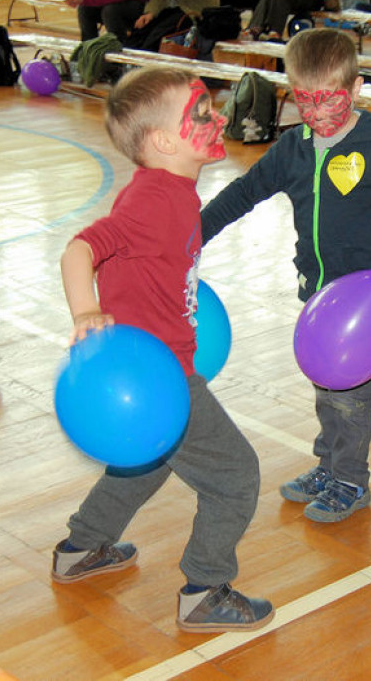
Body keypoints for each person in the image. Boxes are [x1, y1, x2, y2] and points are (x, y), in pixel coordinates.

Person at [53, 66, 273, 633]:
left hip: (152, 370)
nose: (218, 116)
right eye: (201, 113)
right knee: (236, 475)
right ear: (164, 142)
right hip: (160, 374)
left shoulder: (172, 190)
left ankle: (82, 547)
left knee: (144, 464)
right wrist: (85, 312)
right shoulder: (154, 199)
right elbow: (80, 249)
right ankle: (205, 588)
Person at [200, 29, 371, 522]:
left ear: (354, 90)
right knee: (327, 386)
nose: (315, 114)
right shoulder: (293, 147)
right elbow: (244, 193)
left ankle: (351, 481)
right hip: (319, 296)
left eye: (328, 99)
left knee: (352, 395)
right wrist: (193, 235)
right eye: (303, 100)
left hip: (366, 302)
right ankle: (329, 466)